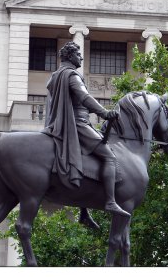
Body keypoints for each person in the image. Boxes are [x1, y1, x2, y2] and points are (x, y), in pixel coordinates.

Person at [42, 41, 130, 217]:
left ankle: (84, 211)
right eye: (78, 54)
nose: (81, 57)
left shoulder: (56, 76)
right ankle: (111, 201)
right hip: (78, 124)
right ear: (70, 56)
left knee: (85, 161)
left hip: (66, 124)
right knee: (109, 157)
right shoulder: (72, 76)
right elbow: (84, 97)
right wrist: (105, 113)